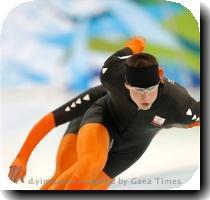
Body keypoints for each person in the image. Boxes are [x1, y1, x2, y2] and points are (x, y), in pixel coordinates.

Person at [8, 37, 200, 190]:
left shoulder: (179, 104)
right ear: (125, 84)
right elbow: (55, 118)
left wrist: (180, 121)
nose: (145, 97)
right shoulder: (111, 77)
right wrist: (22, 157)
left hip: (134, 142)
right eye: (138, 91)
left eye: (150, 89)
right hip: (101, 119)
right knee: (87, 165)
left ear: (159, 76)